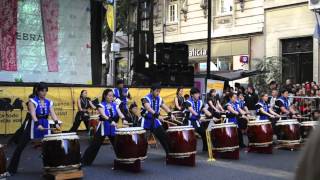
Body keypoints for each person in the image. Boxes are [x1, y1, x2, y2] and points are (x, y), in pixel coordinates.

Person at [7, 83, 60, 175]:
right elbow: (33, 114)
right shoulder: (32, 101)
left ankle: (50, 168)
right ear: (37, 91)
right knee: (20, 146)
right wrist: (37, 124)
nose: (44, 93)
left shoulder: (49, 102)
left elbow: (53, 113)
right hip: (33, 124)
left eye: (45, 91)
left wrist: (56, 123)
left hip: (45, 123)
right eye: (42, 91)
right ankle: (11, 169)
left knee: (49, 146)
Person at [81, 89, 127, 166]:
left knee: (117, 144)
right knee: (95, 145)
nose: (111, 97)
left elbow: (120, 113)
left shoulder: (115, 105)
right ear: (105, 96)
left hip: (113, 128)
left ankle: (124, 160)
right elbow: (103, 115)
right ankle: (85, 161)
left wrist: (124, 119)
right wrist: (110, 120)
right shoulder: (101, 105)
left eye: (112, 96)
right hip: (103, 127)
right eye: (109, 95)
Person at [140, 84, 175, 155]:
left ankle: (169, 154)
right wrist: (157, 115)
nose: (158, 93)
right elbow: (148, 108)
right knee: (142, 140)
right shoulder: (146, 98)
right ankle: (139, 155)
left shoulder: (159, 98)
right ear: (152, 91)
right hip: (145, 121)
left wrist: (170, 114)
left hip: (155, 120)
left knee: (163, 136)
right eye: (157, 91)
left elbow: (164, 106)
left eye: (159, 91)